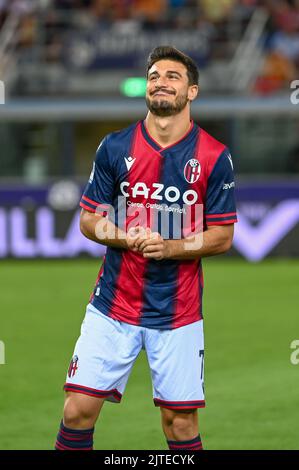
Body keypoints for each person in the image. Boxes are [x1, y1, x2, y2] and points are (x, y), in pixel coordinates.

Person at [55, 45, 237, 451]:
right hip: (113, 305)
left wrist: (170, 247)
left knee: (179, 424)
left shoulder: (214, 156)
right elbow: (89, 220)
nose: (161, 82)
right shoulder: (115, 147)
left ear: (192, 91)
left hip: (178, 312)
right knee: (77, 410)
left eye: (173, 77)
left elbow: (223, 236)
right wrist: (125, 237)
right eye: (154, 75)